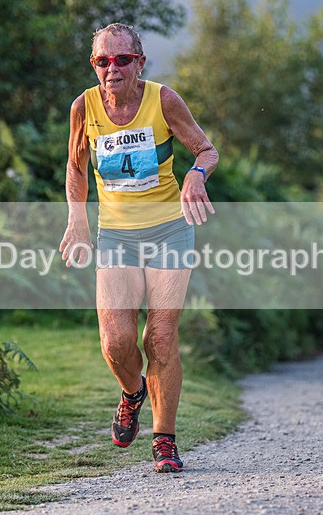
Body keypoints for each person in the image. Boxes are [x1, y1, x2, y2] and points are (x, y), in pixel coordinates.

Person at [59, 23, 218, 473]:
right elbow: (76, 168)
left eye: (121, 60)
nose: (111, 69)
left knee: (161, 338)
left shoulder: (163, 100)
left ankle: (164, 439)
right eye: (102, 61)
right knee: (117, 342)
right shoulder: (84, 108)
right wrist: (76, 219)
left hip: (170, 230)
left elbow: (206, 151)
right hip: (117, 237)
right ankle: (132, 392)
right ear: (94, 65)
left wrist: (195, 174)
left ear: (139, 62)